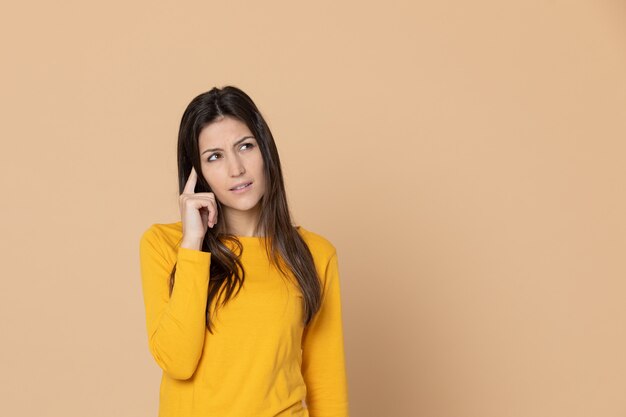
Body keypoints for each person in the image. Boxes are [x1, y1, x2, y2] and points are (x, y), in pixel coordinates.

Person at [138, 85, 350, 417]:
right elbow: (177, 361)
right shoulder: (165, 244)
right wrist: (192, 245)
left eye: (245, 146)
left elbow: (327, 385)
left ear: (266, 151)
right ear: (198, 173)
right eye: (214, 157)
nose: (236, 169)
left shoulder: (314, 254)